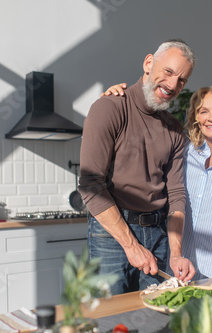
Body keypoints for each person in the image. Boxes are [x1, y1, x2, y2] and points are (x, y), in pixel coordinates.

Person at [103, 83, 212, 280]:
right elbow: (143, 144)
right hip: (179, 265)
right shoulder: (185, 149)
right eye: (203, 111)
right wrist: (114, 100)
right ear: (195, 118)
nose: (211, 118)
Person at [78, 39, 197, 295]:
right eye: (168, 72)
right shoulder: (109, 108)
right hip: (112, 235)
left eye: (182, 80)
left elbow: (176, 195)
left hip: (159, 234)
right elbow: (90, 185)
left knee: (157, 317)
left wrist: (176, 253)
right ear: (148, 63)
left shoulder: (174, 129)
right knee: (112, 317)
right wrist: (131, 245)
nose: (173, 85)